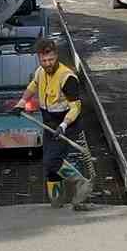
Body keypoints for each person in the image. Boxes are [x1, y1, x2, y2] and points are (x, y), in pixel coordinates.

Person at [14, 40, 89, 209]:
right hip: (49, 123)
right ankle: (57, 203)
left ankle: (81, 182)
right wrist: (21, 103)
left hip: (66, 124)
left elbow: (76, 107)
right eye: (44, 60)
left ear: (56, 56)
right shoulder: (40, 72)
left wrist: (63, 125)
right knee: (50, 167)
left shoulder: (67, 77)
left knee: (51, 160)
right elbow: (33, 86)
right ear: (39, 59)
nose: (48, 64)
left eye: (51, 60)